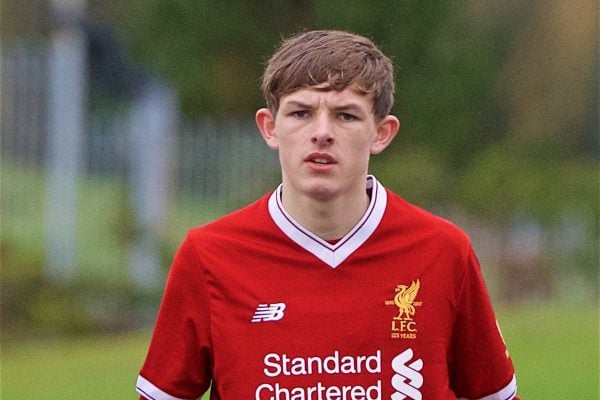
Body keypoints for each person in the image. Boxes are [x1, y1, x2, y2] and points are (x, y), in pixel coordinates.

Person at [136, 30, 518, 400]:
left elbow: (494, 394)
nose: (322, 133)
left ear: (381, 133)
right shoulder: (209, 255)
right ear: (269, 128)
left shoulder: (442, 250)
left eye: (345, 116)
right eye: (301, 113)